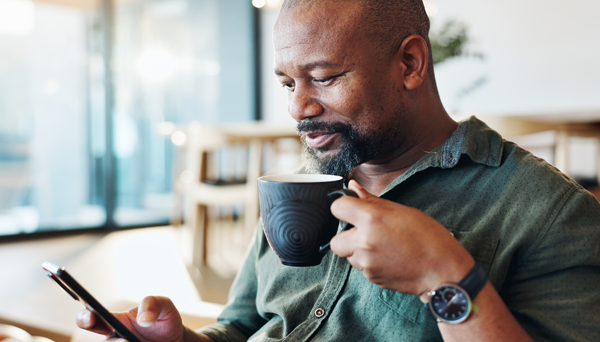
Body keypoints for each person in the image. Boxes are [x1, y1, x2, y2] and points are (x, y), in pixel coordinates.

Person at [77, 0, 600, 341]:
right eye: (287, 83)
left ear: (411, 64)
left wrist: (443, 277)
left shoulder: (548, 212)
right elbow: (244, 326)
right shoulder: (301, 182)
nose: (297, 108)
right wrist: (181, 340)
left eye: (324, 77)